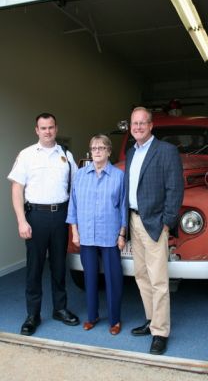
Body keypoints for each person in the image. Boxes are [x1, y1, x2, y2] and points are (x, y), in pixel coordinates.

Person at [7, 113, 80, 336]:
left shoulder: (66, 155)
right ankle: (33, 314)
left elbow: (76, 189)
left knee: (59, 265)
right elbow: (17, 189)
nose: (47, 131)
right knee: (35, 268)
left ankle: (60, 308)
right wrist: (21, 220)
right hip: (35, 217)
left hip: (60, 216)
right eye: (43, 128)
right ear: (36, 130)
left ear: (56, 129)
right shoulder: (27, 155)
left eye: (51, 127)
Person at [125, 107, 184, 355]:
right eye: (134, 123)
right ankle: (151, 321)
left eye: (142, 123)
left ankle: (160, 332)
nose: (138, 127)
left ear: (151, 126)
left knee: (159, 279)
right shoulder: (131, 152)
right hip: (134, 221)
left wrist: (167, 222)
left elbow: (175, 188)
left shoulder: (166, 151)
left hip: (155, 222)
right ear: (130, 127)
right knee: (141, 276)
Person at [66, 134, 126, 335]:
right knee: (89, 278)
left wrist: (122, 234)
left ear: (109, 151)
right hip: (87, 236)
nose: (97, 151)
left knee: (113, 278)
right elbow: (72, 205)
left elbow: (123, 207)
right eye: (94, 148)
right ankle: (92, 316)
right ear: (90, 152)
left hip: (110, 235)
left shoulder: (118, 176)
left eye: (101, 148)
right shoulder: (81, 175)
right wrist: (75, 232)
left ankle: (115, 320)